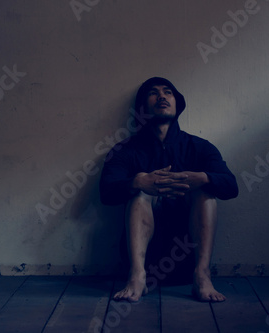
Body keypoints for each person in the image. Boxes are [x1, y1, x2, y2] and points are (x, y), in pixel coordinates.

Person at [99, 77, 238, 302]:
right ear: (143, 107)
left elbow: (231, 186)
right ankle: (136, 277)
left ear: (177, 103)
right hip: (145, 265)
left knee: (205, 191)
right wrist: (137, 182)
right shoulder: (125, 150)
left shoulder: (199, 147)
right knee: (140, 193)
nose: (162, 96)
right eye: (154, 93)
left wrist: (202, 177)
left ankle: (203, 276)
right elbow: (106, 192)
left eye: (168, 92)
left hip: (187, 262)